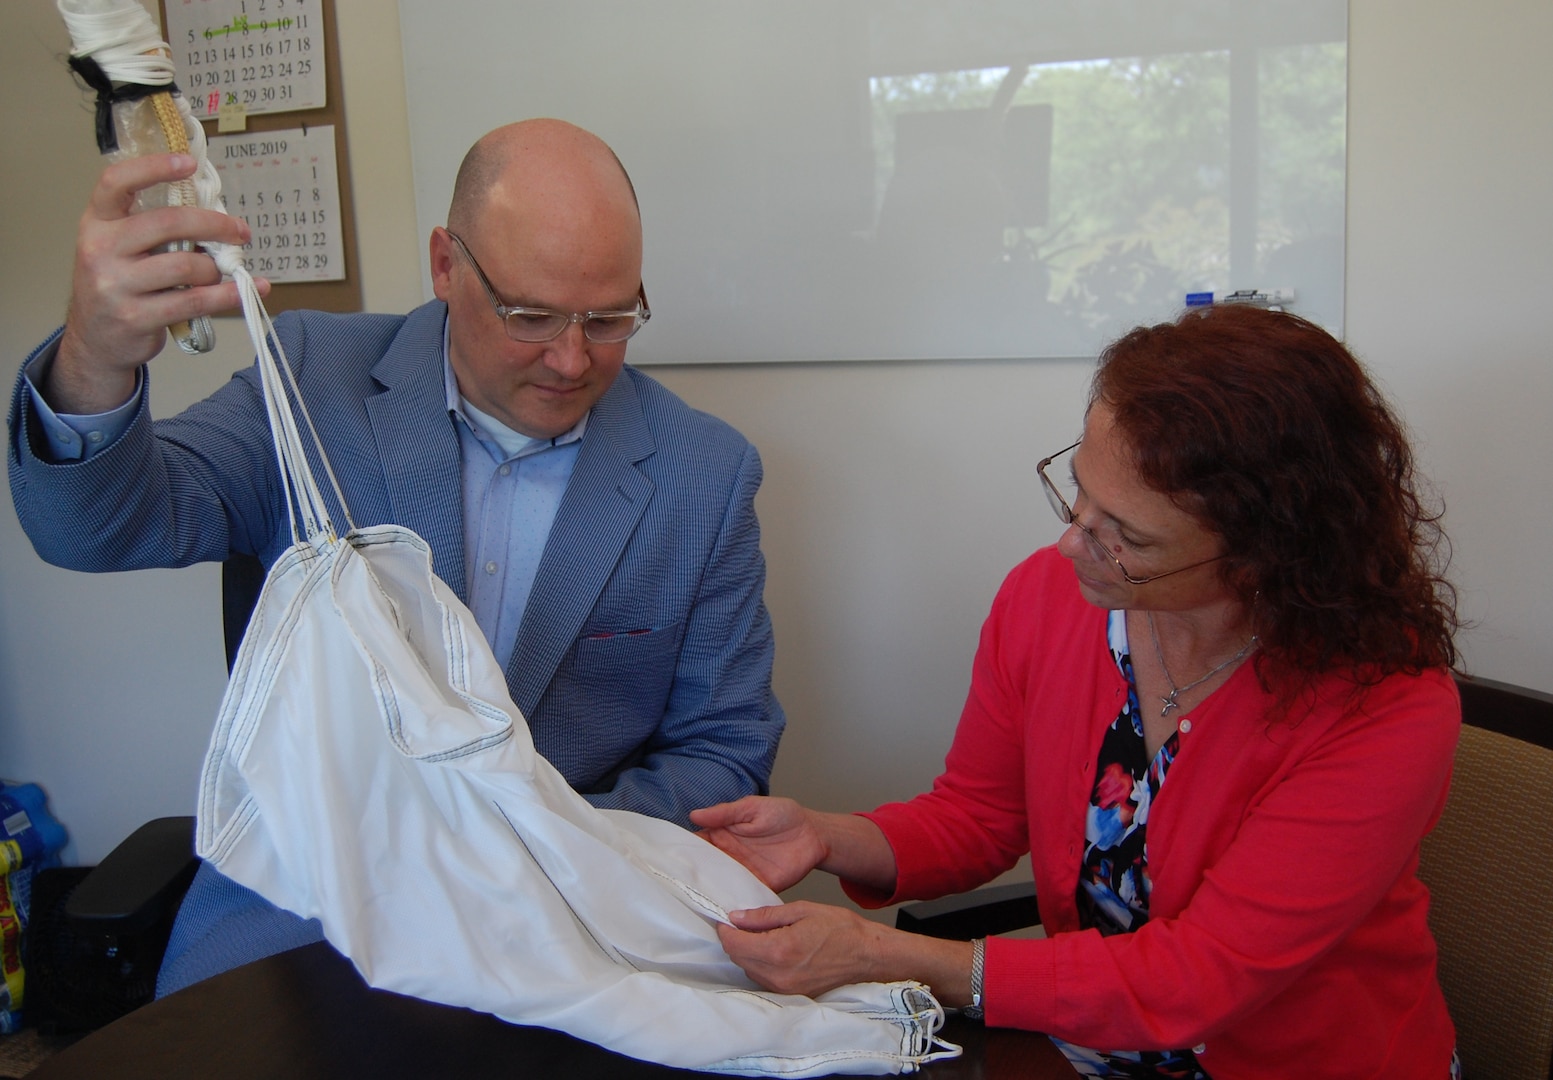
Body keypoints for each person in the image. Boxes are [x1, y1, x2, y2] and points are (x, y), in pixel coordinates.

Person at [9, 120, 784, 993]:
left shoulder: (703, 474)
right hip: (303, 913)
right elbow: (97, 530)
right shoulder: (311, 378)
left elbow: (722, 751)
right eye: (530, 315)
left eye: (609, 319)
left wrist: (545, 843)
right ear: (446, 267)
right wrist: (94, 360)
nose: (572, 360)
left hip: (575, 917)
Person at [693, 304, 1461, 1079]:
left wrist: (889, 956)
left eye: (1124, 536)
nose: (1071, 541)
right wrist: (825, 838)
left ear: (1264, 555)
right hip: (1092, 1046)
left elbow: (1198, 978)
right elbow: (980, 814)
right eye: (1076, 493)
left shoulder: (1386, 706)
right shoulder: (1050, 599)